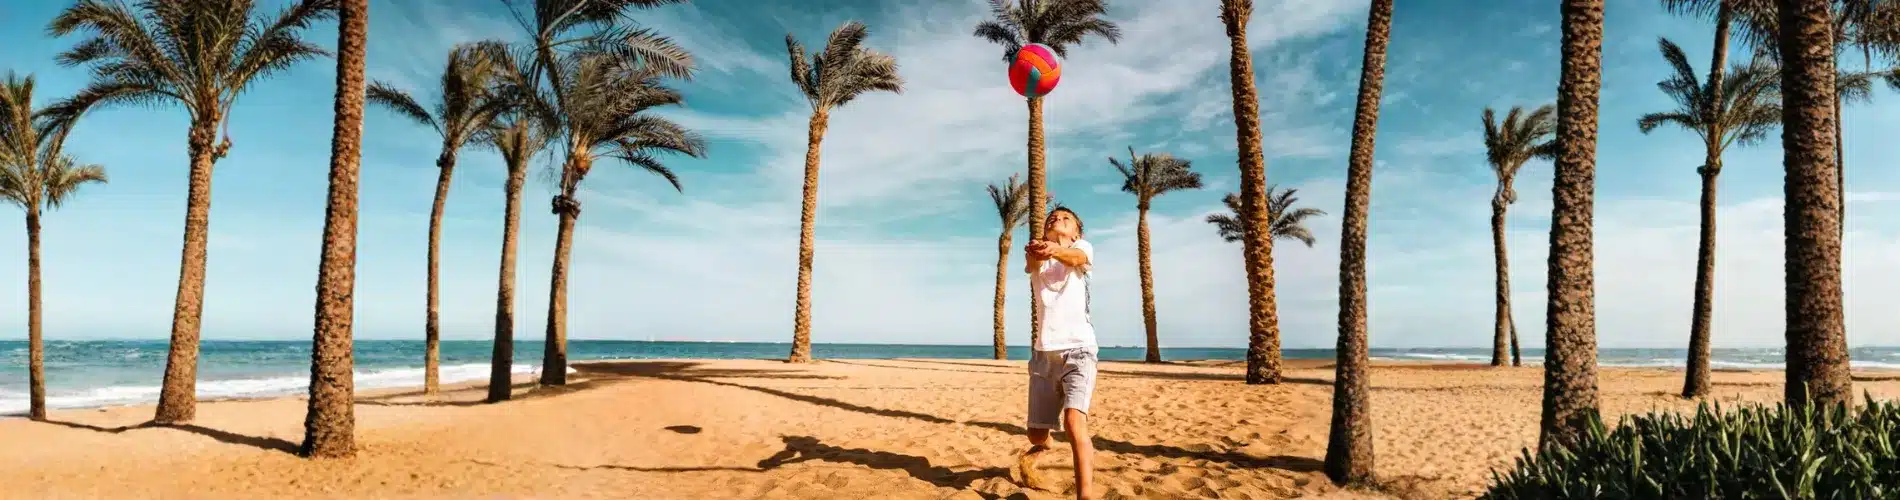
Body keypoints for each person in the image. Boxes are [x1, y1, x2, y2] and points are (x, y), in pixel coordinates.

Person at [1017, 206, 1098, 499]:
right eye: (1052, 218)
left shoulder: (1081, 249)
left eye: (1066, 219)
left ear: (1076, 232)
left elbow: (1075, 258)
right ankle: (1045, 442)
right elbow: (1031, 261)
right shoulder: (1040, 260)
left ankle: (1084, 495)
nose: (1058, 220)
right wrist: (1037, 250)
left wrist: (1053, 249)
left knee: (1075, 422)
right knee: (1036, 435)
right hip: (1043, 356)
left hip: (1080, 350)